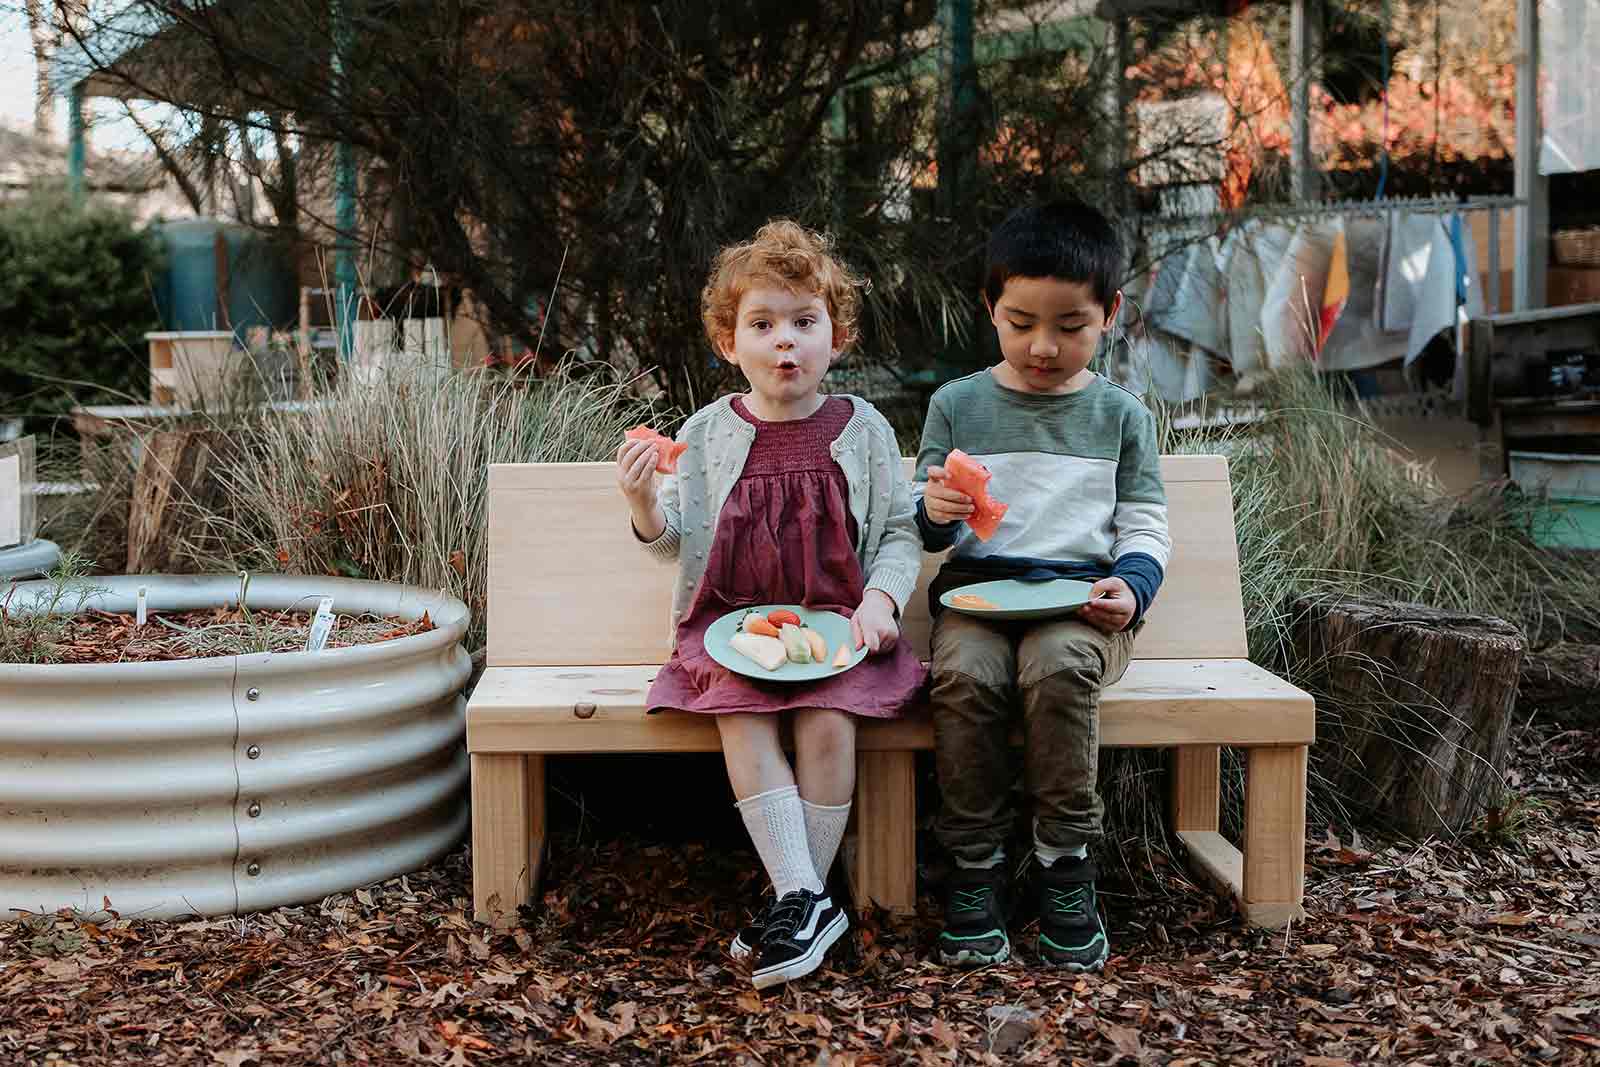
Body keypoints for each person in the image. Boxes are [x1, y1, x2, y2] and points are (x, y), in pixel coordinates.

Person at [616, 219, 927, 990]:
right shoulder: (705, 434)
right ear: (729, 343)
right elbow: (673, 543)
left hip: (837, 631)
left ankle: (796, 902)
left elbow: (897, 530)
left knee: (828, 719)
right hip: (735, 630)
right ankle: (808, 901)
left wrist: (883, 599)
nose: (784, 342)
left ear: (837, 335)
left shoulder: (863, 429)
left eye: (804, 322)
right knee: (742, 714)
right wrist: (643, 502)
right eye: (762, 324)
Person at [914, 200, 1171, 972]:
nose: (1043, 346)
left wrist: (1133, 586)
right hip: (975, 599)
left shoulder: (1120, 415)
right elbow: (922, 523)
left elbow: (1145, 524)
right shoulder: (956, 404)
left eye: (1070, 325)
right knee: (964, 674)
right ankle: (976, 869)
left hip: (1082, 605)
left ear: (1110, 314)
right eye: (1021, 321)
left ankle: (1066, 867)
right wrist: (931, 509)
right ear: (989, 306)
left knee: (1056, 668)